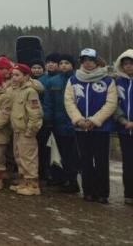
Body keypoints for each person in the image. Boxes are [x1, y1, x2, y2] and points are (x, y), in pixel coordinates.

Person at [64, 48, 117, 204]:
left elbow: (111, 103)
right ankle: (88, 191)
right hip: (81, 127)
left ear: (96, 61)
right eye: (84, 60)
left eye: (91, 60)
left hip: (101, 128)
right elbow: (69, 101)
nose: (88, 63)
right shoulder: (74, 80)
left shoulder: (108, 80)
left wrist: (94, 120)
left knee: (101, 161)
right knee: (85, 160)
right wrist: (79, 120)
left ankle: (102, 193)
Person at [8, 63, 43, 196]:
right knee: (19, 156)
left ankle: (33, 184)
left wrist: (31, 130)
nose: (14, 78)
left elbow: (35, 113)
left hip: (26, 131)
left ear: (26, 76)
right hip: (17, 129)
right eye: (13, 75)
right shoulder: (16, 90)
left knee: (29, 158)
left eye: (17, 75)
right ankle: (23, 181)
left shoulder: (30, 91)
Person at [49, 54, 80, 193]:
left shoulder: (78, 80)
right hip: (58, 123)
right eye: (61, 63)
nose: (63, 65)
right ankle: (67, 179)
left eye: (67, 63)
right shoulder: (53, 81)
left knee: (75, 154)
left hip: (75, 123)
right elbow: (49, 103)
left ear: (72, 65)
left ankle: (74, 180)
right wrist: (49, 120)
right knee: (63, 153)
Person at [113, 49, 133, 205]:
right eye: (125, 64)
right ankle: (129, 194)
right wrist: (122, 120)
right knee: (128, 162)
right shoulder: (118, 82)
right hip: (124, 128)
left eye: (131, 63)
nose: (128, 67)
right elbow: (115, 103)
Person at [38, 53, 60, 184]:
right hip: (43, 120)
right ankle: (44, 173)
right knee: (43, 149)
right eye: (48, 62)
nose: (50, 64)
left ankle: (57, 175)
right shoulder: (41, 80)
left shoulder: (61, 79)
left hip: (58, 120)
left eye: (53, 62)